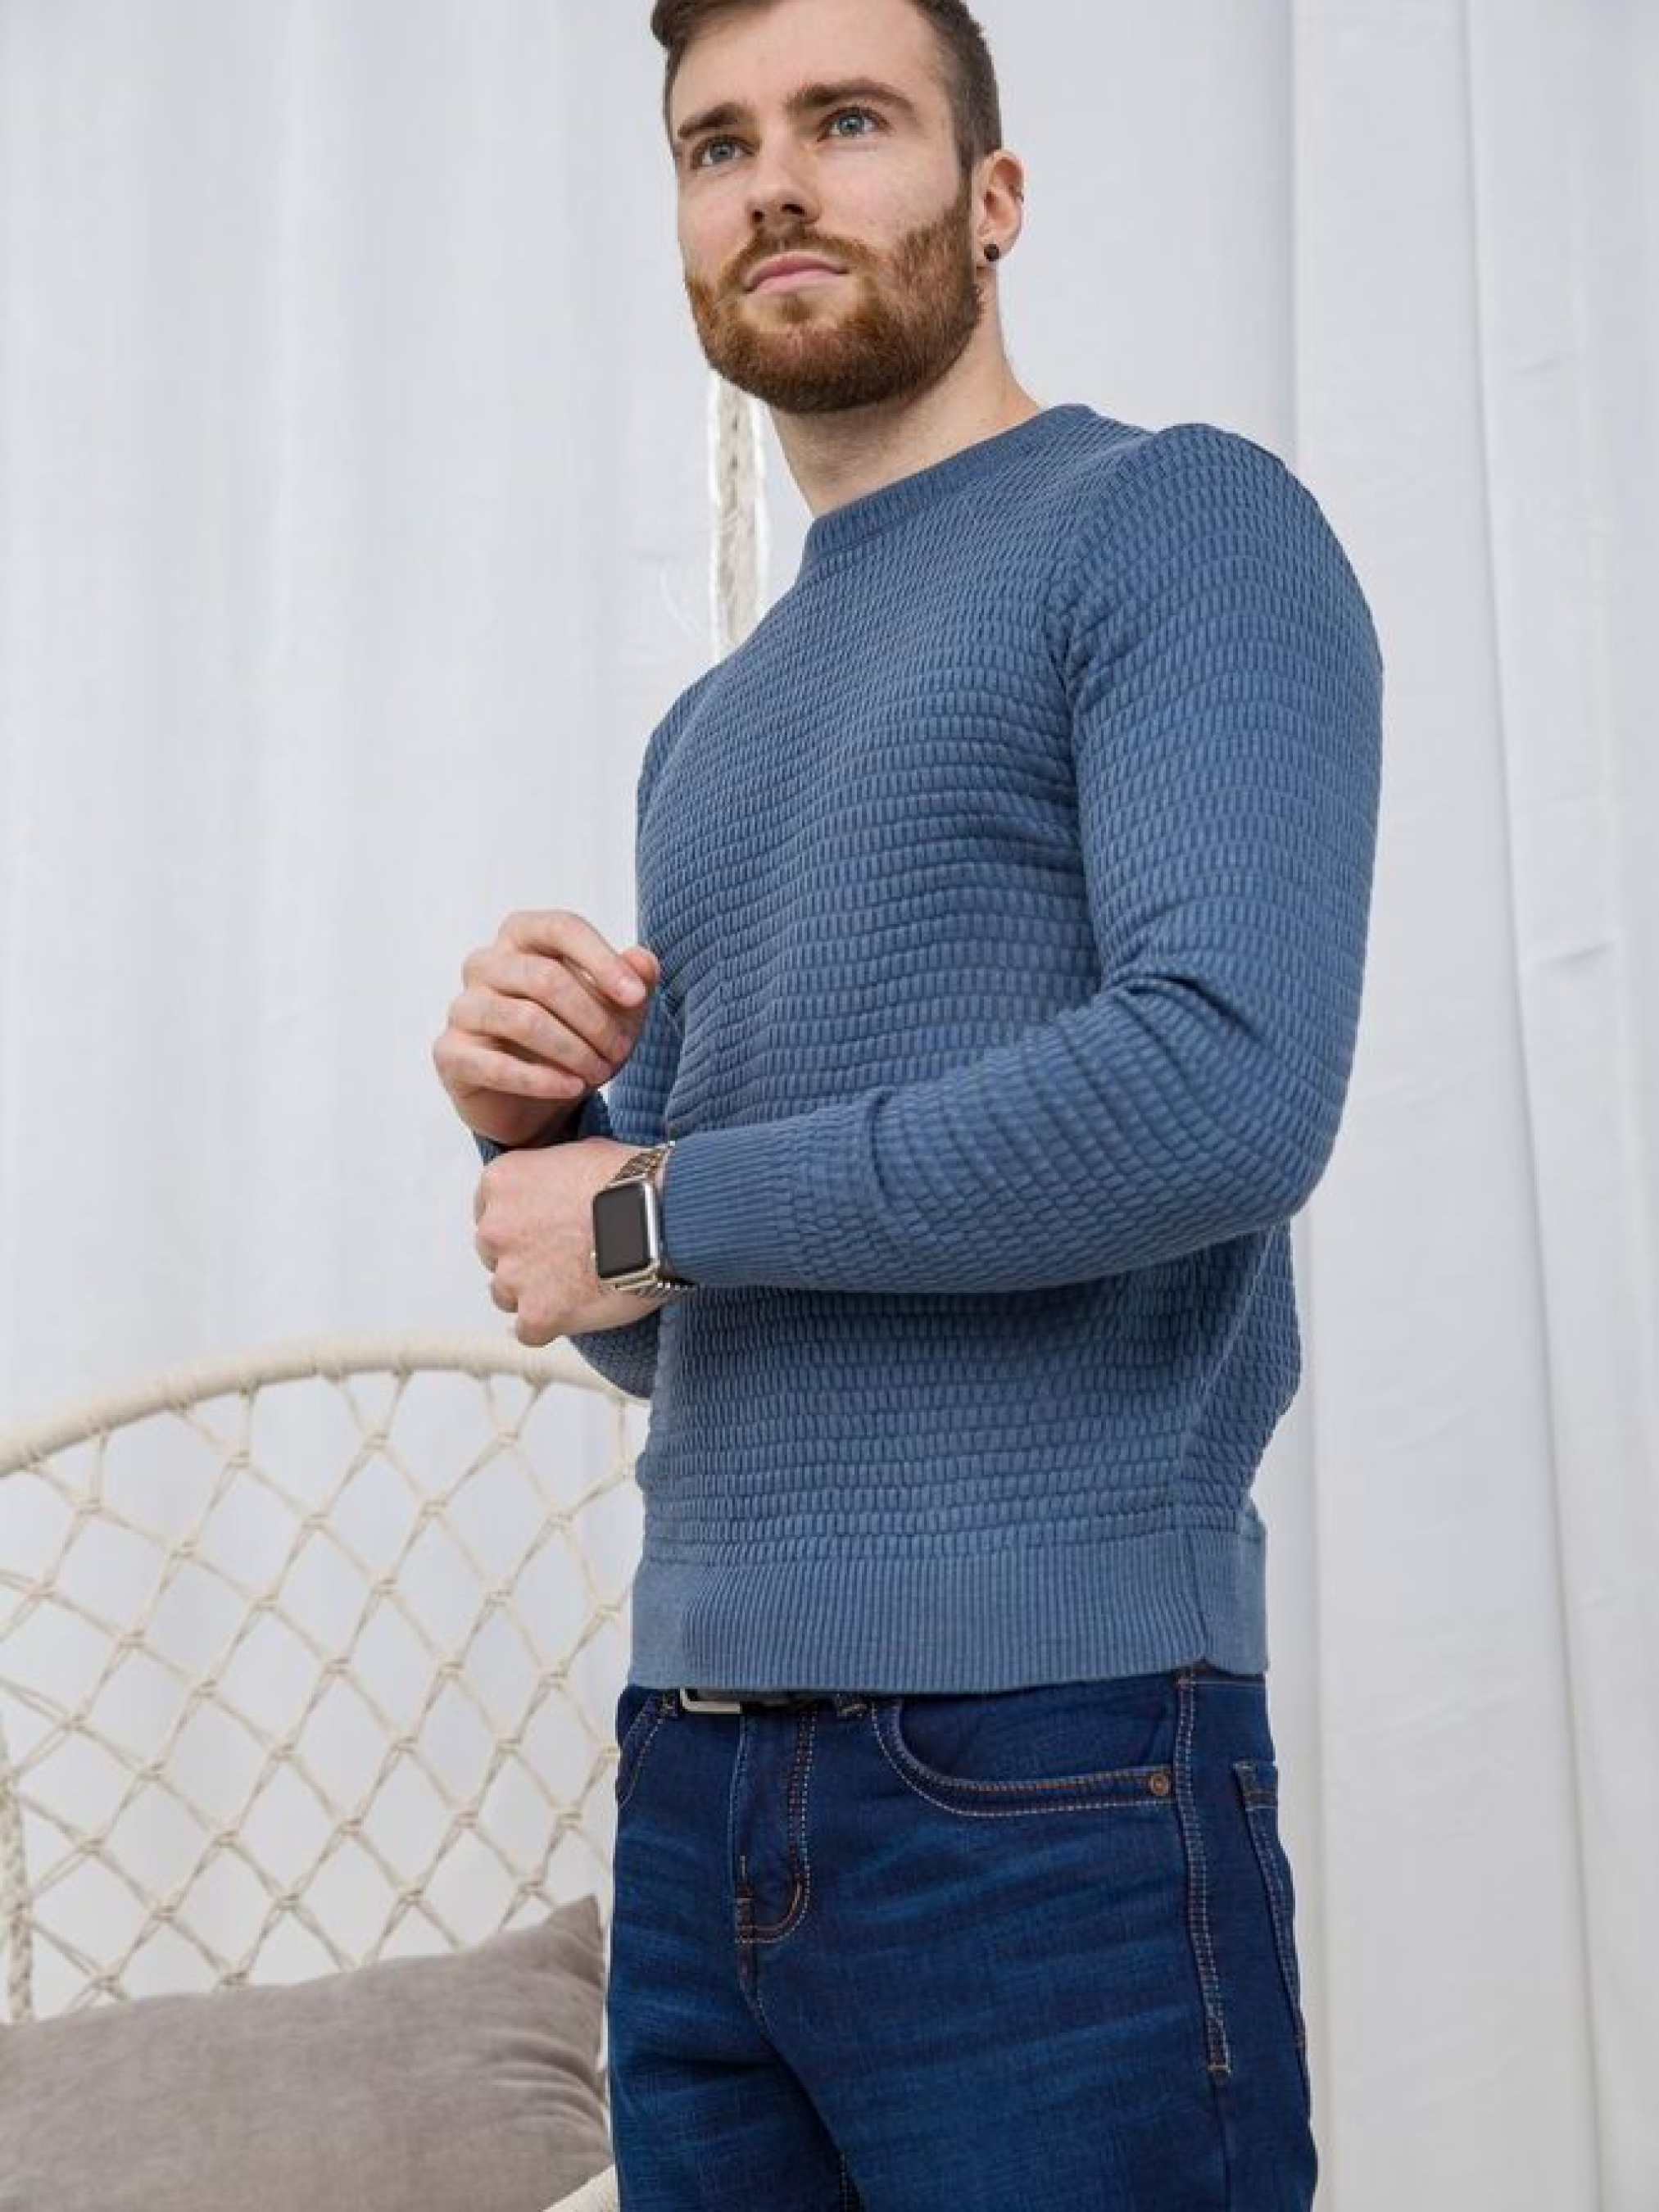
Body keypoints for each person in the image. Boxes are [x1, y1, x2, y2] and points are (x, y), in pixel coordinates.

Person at [433, 0, 1384, 2201]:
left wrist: (648, 1199)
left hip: (1046, 1777)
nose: (773, 180)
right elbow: (676, 1323)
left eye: (846, 119)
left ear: (993, 195)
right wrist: (536, 1138)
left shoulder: (1173, 520)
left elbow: (1223, 1088)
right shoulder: (706, 729)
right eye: (715, 144)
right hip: (692, 1788)